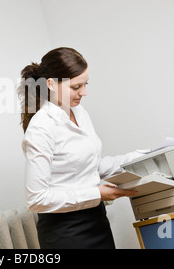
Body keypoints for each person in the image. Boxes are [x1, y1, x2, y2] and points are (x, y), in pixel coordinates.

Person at [17, 47, 145, 249]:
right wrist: (97, 194)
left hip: (96, 221)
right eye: (76, 87)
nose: (83, 93)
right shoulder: (41, 127)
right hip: (66, 233)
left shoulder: (80, 112)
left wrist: (137, 158)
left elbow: (88, 165)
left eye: (85, 84)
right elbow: (36, 199)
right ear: (50, 84)